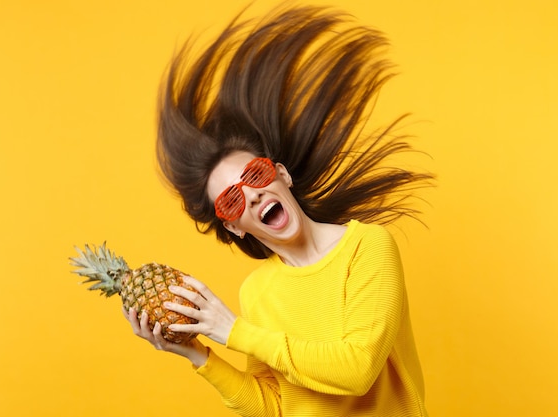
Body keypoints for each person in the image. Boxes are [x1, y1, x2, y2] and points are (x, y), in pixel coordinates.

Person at [124, 5, 432, 416]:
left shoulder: (367, 247)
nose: (250, 195)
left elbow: (358, 370)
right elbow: (276, 407)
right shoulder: (257, 292)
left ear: (281, 175)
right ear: (234, 227)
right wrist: (199, 354)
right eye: (232, 199)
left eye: (254, 175)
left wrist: (233, 331)